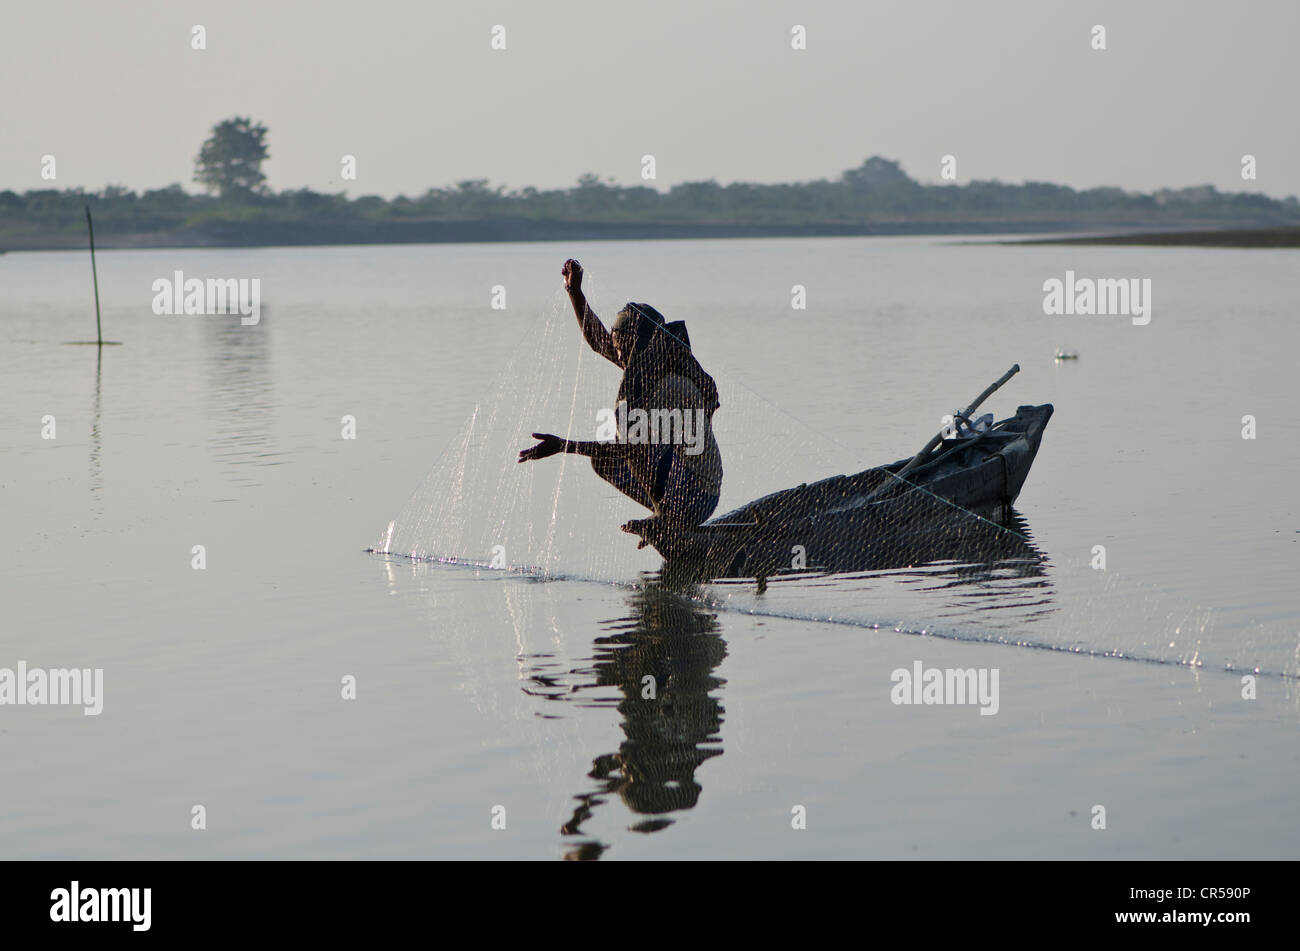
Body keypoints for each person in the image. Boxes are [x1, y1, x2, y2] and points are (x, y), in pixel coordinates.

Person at [518, 259, 723, 545]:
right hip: (679, 484)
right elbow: (598, 341)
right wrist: (574, 292)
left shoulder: (671, 384)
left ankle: (666, 519)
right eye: (616, 346)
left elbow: (632, 447)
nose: (617, 354)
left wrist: (565, 446)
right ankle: (666, 516)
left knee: (630, 449)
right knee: (602, 459)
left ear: (639, 345)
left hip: (699, 494)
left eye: (621, 347)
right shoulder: (649, 367)